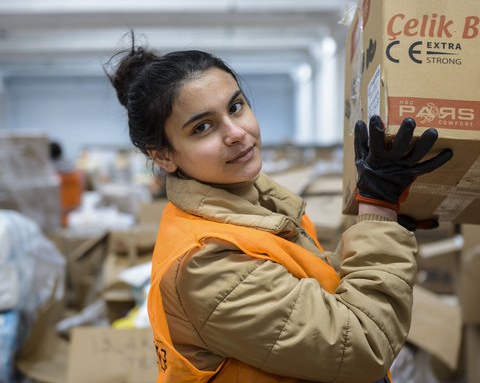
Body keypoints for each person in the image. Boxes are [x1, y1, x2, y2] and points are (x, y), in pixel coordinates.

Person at [105, 41, 453, 383]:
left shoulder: (258, 208)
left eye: (236, 107)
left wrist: (387, 219)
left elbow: (322, 288)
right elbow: (361, 345)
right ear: (164, 155)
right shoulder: (205, 264)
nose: (236, 133)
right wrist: (379, 209)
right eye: (202, 127)